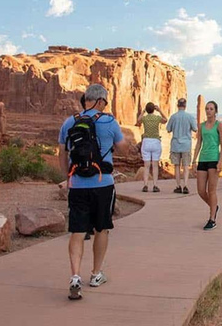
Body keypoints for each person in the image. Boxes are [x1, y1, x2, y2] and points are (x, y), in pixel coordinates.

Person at [58, 84, 126, 300]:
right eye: (105, 102)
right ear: (101, 101)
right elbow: (123, 148)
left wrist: (67, 177)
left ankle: (75, 276)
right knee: (102, 229)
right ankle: (96, 274)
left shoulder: (70, 121)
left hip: (77, 184)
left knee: (77, 231)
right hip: (103, 183)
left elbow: (62, 152)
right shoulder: (109, 121)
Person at [193, 100, 222, 230]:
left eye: (211, 109)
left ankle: (212, 219)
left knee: (212, 190)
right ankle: (214, 206)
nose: (208, 111)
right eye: (207, 108)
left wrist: (220, 161)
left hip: (213, 159)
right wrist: (194, 160)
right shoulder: (201, 126)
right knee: (201, 191)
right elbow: (198, 143)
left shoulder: (219, 125)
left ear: (215, 111)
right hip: (203, 159)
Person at [166, 98, 198, 194]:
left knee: (176, 166)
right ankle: (185, 186)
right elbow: (195, 129)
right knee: (185, 166)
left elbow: (168, 129)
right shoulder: (190, 117)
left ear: (177, 105)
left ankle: (178, 186)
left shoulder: (173, 117)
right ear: (185, 105)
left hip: (175, 145)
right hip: (186, 145)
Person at [136, 102, 167, 193]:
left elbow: (138, 120)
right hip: (156, 142)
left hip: (146, 142)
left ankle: (145, 185)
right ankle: (155, 185)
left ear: (147, 110)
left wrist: (143, 112)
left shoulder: (145, 118)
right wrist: (160, 110)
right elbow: (165, 120)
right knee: (155, 166)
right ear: (154, 109)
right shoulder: (157, 118)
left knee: (146, 166)